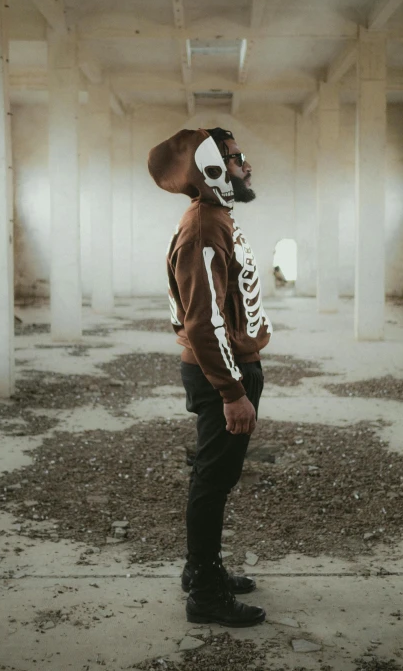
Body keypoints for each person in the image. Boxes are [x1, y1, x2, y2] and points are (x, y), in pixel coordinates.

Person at [148, 127, 272, 627]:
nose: (247, 167)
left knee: (214, 476)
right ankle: (204, 591)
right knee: (213, 481)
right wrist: (233, 392)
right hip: (222, 372)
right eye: (239, 160)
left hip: (231, 365)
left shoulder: (217, 218)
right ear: (213, 167)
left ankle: (203, 567)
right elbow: (205, 322)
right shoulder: (204, 227)